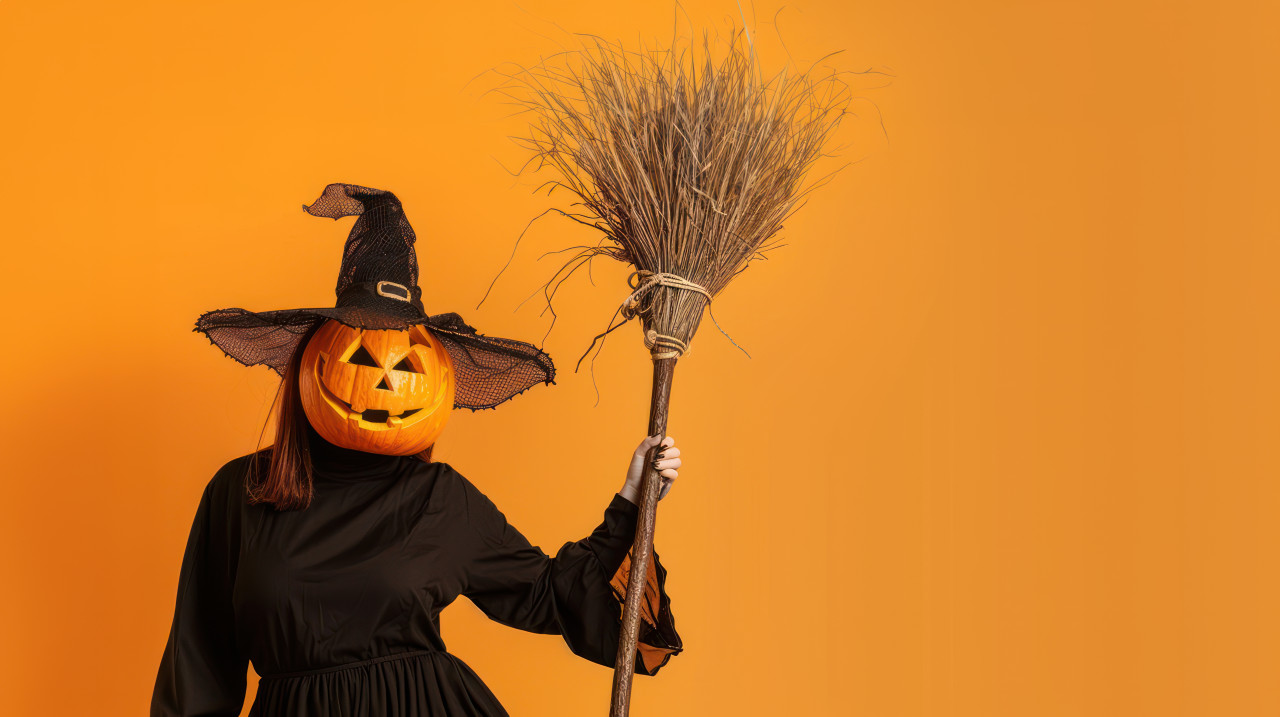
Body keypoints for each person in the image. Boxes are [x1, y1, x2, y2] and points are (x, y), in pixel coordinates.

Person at [151, 183, 684, 716]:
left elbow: (549, 595)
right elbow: (201, 658)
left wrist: (632, 501)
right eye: (363, 357)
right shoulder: (242, 492)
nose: (386, 382)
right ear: (314, 363)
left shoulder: (438, 498)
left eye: (408, 365)